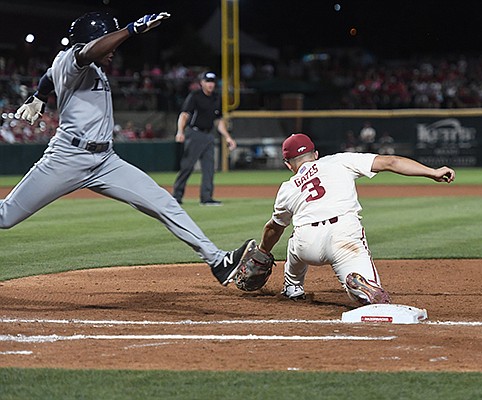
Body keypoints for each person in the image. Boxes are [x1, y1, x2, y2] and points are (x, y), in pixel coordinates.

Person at [3, 11, 255, 286]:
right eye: (109, 41)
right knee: (6, 216)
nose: (114, 50)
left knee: (163, 202)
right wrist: (129, 30)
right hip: (67, 158)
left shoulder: (82, 65)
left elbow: (49, 77)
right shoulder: (74, 59)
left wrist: (39, 95)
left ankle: (218, 261)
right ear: (94, 40)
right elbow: (85, 54)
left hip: (105, 161)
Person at [256, 133, 455, 304]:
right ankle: (360, 288)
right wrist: (433, 172)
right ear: (316, 155)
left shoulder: (287, 188)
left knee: (294, 237)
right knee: (374, 294)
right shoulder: (339, 160)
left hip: (307, 244)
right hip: (344, 238)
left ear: (287, 164)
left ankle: (293, 288)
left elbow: (274, 228)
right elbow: (391, 162)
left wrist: (263, 251)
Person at [172, 71, 237, 206]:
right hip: (194, 133)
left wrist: (228, 137)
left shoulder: (216, 98)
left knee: (209, 168)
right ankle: (176, 196)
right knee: (187, 166)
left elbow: (218, 121)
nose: (210, 84)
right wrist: (180, 131)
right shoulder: (195, 96)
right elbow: (184, 115)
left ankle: (206, 198)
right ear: (201, 83)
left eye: (212, 81)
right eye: (207, 81)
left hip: (209, 135)